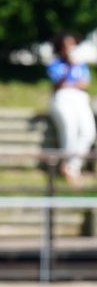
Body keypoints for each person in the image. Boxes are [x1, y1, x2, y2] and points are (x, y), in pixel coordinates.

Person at [47, 33, 96, 185]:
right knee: (70, 129)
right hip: (62, 98)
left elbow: (84, 84)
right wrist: (69, 67)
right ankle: (70, 168)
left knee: (88, 132)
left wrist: (72, 79)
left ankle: (72, 166)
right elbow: (59, 84)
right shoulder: (55, 64)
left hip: (80, 99)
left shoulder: (81, 65)